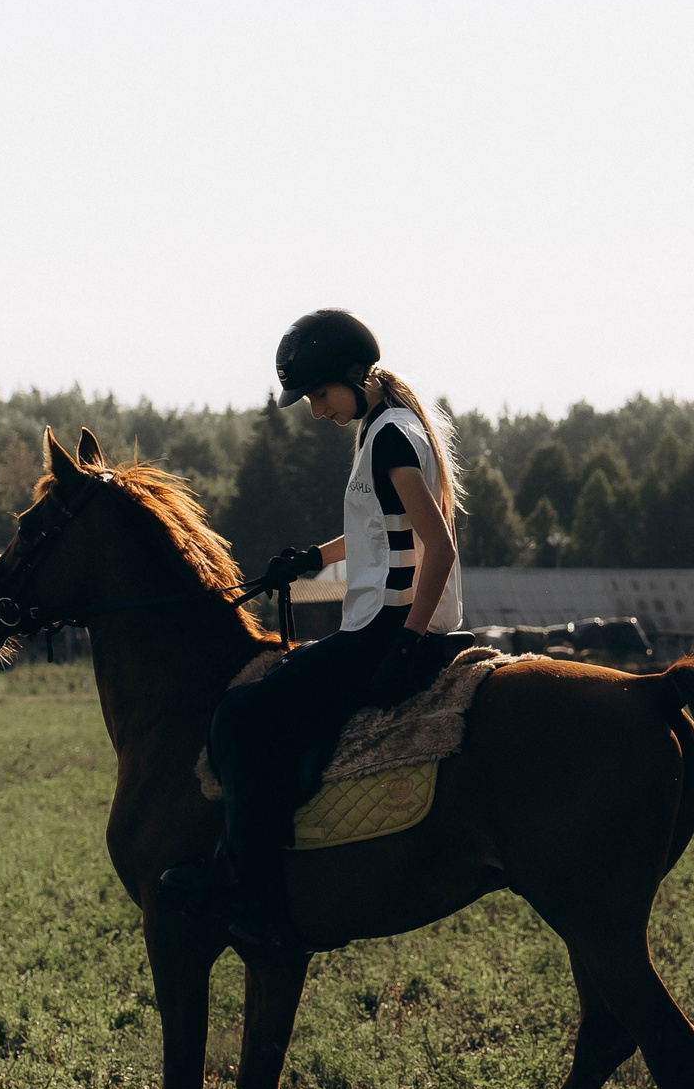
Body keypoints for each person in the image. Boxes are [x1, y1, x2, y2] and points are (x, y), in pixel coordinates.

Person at [161, 309, 468, 947]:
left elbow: (438, 547)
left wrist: (407, 643)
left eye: (319, 395)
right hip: (381, 624)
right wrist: (312, 559)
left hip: (385, 629)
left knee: (238, 718)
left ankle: (256, 901)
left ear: (355, 377)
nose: (315, 411)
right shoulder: (390, 427)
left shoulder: (389, 437)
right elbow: (378, 531)